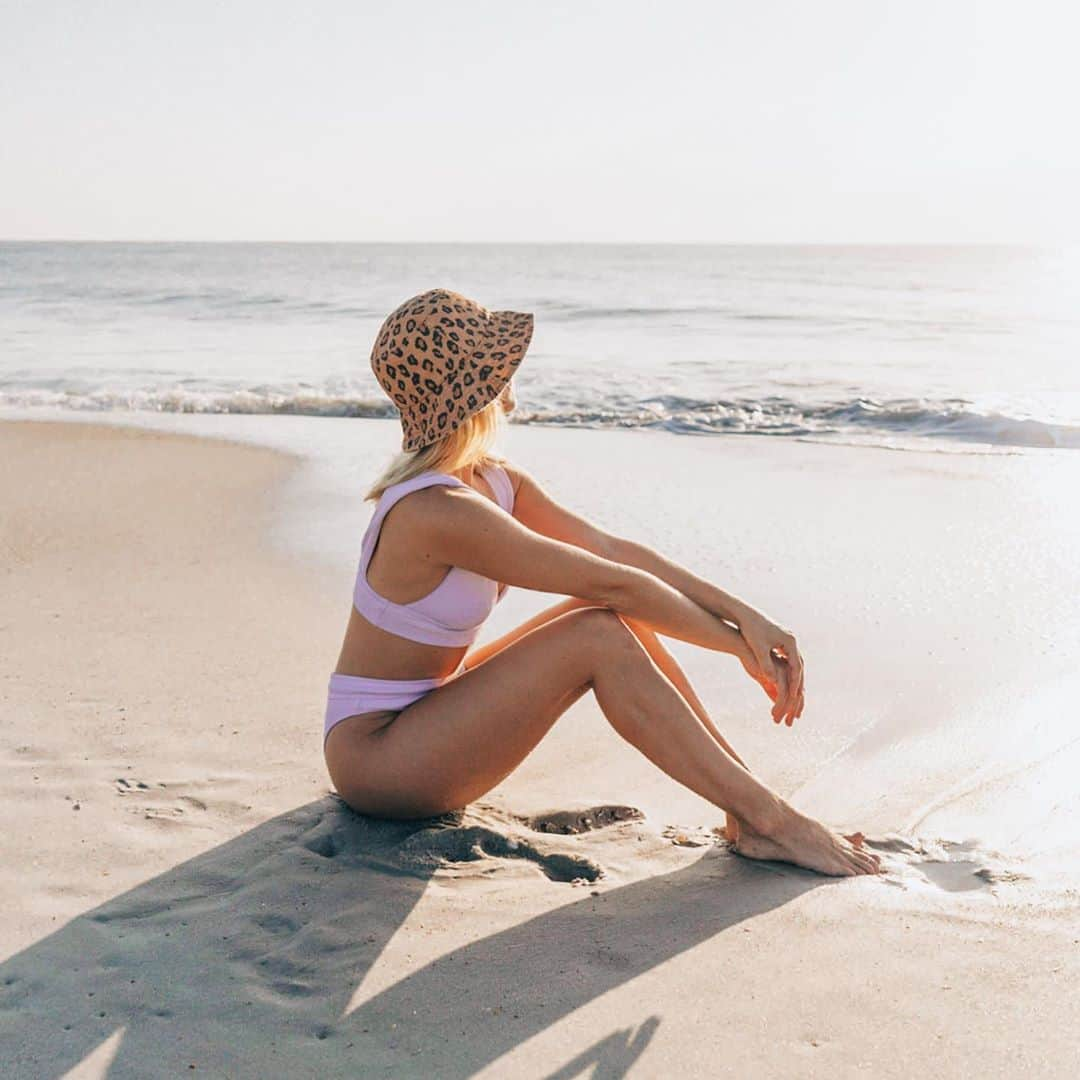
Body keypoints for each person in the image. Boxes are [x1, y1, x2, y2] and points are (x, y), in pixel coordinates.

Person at [323, 288, 882, 877]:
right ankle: (771, 821)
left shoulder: (491, 480)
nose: (513, 371)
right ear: (480, 384)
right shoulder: (437, 510)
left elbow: (615, 553)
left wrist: (747, 617)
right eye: (500, 362)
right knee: (598, 633)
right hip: (378, 760)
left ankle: (747, 815)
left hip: (427, 717)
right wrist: (743, 647)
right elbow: (613, 581)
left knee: (614, 617)